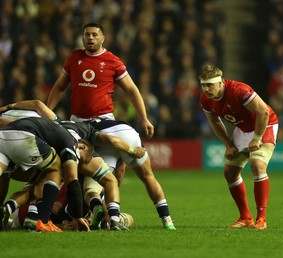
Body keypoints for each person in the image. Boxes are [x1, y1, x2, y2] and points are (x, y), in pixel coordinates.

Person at [0, 100, 175, 230]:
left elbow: (37, 104)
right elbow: (110, 140)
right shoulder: (82, 136)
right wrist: (132, 150)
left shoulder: (55, 121)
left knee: (37, 183)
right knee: (104, 181)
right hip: (52, 148)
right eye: (85, 158)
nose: (81, 163)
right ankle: (112, 218)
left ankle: (24, 211)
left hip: (34, 145)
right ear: (84, 147)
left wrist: (9, 107)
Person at [199, 65, 279, 230]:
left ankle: (261, 219)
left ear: (221, 83)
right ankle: (245, 217)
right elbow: (214, 121)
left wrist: (257, 138)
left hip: (264, 125)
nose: (206, 89)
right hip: (243, 129)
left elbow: (263, 111)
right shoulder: (205, 99)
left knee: (257, 165)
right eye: (203, 85)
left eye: (210, 85)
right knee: (229, 172)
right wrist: (228, 145)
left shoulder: (239, 90)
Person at [46, 22, 154, 138]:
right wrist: (47, 112)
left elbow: (132, 90)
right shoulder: (74, 57)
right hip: (77, 122)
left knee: (114, 150)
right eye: (87, 35)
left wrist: (144, 118)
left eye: (94, 35)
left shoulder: (113, 61)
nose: (90, 38)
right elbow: (59, 87)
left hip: (103, 121)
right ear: (83, 38)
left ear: (103, 38)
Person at [0, 116, 93, 232]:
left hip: (3, 134)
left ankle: (10, 208)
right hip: (25, 136)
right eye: (81, 160)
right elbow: (72, 179)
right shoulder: (72, 142)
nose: (77, 164)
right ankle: (44, 221)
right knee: (55, 168)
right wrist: (78, 217)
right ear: (82, 146)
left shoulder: (51, 134)